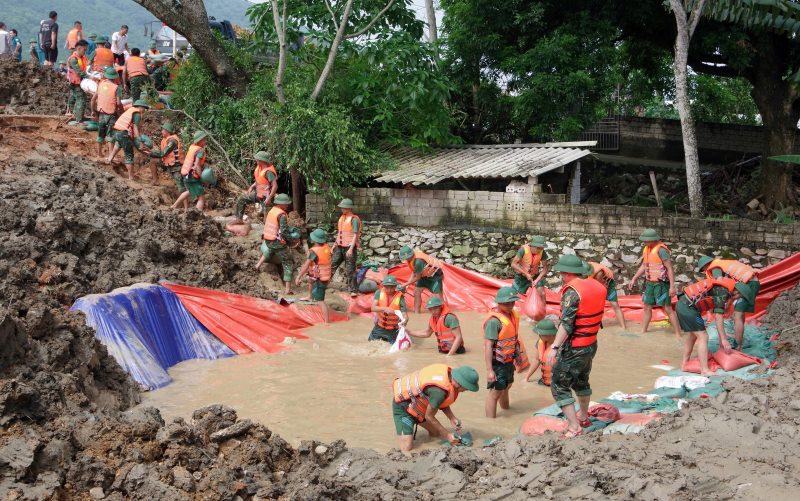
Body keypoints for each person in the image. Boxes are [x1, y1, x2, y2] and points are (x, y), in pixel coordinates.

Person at [545, 255, 607, 438]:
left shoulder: (572, 292)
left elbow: (567, 324)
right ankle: (584, 417)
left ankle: (574, 427)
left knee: (559, 383)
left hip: (575, 346)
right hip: (591, 343)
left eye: (562, 273)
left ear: (566, 273)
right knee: (581, 379)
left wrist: (554, 347)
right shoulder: (598, 286)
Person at [392, 363, 479, 452]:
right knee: (407, 448)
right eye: (467, 388)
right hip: (403, 406)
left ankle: (415, 425)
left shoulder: (449, 377)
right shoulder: (439, 392)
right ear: (459, 383)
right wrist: (448, 435)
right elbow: (429, 416)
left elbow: (442, 401)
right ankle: (407, 427)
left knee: (435, 434)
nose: (466, 390)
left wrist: (451, 418)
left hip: (418, 406)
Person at [676, 277, 751, 375]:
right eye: (739, 297)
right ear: (737, 292)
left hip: (684, 306)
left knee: (693, 335)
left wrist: (722, 341)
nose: (737, 299)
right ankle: (705, 370)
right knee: (703, 336)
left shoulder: (723, 289)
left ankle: (684, 363)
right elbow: (718, 317)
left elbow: (714, 309)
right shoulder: (723, 291)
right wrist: (724, 340)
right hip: (687, 308)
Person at [697, 255, 760, 350]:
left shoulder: (715, 267)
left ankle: (738, 346)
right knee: (739, 313)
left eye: (703, 269)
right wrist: (728, 302)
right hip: (751, 283)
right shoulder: (721, 263)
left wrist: (720, 302)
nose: (705, 271)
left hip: (749, 284)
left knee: (737, 315)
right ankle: (739, 339)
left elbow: (720, 283)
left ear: (705, 265)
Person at [627, 228, 681, 338]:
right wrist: (634, 278)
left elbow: (670, 268)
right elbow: (643, 265)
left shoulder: (661, 250)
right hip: (650, 283)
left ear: (653, 240)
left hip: (662, 284)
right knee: (647, 307)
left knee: (667, 309)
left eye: (647, 240)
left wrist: (672, 287)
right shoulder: (646, 249)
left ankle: (678, 334)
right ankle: (643, 331)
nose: (645, 242)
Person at [484, 286, 528, 418]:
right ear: (499, 303)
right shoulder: (494, 321)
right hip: (497, 362)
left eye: (512, 303)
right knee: (495, 392)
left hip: (509, 360)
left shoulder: (513, 315)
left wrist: (518, 354)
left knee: (507, 386)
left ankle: (507, 412)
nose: (510, 306)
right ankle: (491, 422)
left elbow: (514, 338)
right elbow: (488, 346)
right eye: (506, 303)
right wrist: (489, 370)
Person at [256, 193, 294, 294]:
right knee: (288, 262)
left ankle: (257, 266)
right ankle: (288, 289)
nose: (287, 205)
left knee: (270, 250)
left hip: (268, 240)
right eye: (285, 204)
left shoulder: (272, 211)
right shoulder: (281, 215)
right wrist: (291, 241)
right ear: (280, 204)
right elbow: (284, 232)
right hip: (277, 242)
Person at [295, 228, 332, 324]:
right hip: (324, 275)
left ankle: (327, 322)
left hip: (320, 278)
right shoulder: (326, 247)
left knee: (320, 301)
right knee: (311, 280)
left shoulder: (313, 251)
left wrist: (299, 276)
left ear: (315, 240)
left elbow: (306, 265)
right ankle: (310, 296)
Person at [107, 100, 150, 179]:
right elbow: (135, 127)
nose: (144, 110)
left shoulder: (130, 110)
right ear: (140, 107)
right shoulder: (137, 114)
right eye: (144, 108)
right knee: (129, 155)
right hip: (123, 134)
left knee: (118, 144)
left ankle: (109, 159)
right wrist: (140, 141)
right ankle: (131, 177)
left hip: (116, 132)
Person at [398, 246, 444, 314]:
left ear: (411, 254)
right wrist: (407, 283)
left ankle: (443, 313)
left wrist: (406, 284)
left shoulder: (418, 262)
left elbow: (417, 277)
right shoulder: (411, 260)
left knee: (438, 296)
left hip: (435, 276)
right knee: (416, 292)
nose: (406, 259)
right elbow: (414, 272)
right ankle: (417, 313)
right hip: (423, 275)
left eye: (407, 258)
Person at [234, 151, 277, 222]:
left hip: (266, 197)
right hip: (258, 194)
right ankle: (239, 219)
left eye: (257, 160)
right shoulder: (259, 168)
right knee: (241, 199)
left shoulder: (268, 172)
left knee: (267, 219)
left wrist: (269, 198)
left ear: (262, 161)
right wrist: (252, 187)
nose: (256, 161)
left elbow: (275, 186)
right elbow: (259, 180)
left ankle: (266, 229)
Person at [330, 198, 361, 297]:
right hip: (340, 246)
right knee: (333, 264)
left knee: (350, 269)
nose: (341, 209)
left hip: (349, 247)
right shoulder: (342, 218)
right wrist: (334, 245)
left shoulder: (354, 219)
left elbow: (355, 235)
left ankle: (353, 290)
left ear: (348, 208)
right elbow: (340, 233)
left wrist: (351, 249)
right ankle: (323, 283)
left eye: (343, 207)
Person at [90, 66, 122, 158]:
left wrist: (93, 111)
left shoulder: (101, 84)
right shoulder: (116, 88)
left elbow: (93, 100)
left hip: (101, 113)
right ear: (115, 77)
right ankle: (110, 155)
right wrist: (121, 113)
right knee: (110, 135)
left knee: (100, 134)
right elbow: (119, 103)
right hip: (111, 114)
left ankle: (99, 154)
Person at [173, 131, 209, 211]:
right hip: (192, 177)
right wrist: (202, 178)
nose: (205, 141)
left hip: (186, 175)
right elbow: (196, 166)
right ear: (200, 141)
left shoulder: (192, 147)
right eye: (204, 139)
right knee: (201, 197)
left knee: (189, 191)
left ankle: (174, 205)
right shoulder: (199, 151)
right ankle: (198, 215)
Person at [586, 261, 628, 330]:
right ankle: (593, 325)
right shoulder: (582, 271)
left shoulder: (599, 273)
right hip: (595, 283)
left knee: (614, 304)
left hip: (608, 283)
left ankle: (623, 327)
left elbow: (599, 287)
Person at [510, 235, 550, 302]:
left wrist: (536, 280)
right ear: (532, 246)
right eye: (538, 248)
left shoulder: (542, 252)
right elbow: (513, 264)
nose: (539, 250)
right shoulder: (523, 250)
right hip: (521, 277)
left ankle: (543, 310)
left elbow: (545, 269)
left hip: (534, 276)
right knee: (515, 297)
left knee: (542, 293)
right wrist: (526, 273)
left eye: (541, 248)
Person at [369, 275, 408, 343]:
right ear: (383, 286)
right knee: (371, 342)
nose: (389, 290)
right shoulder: (378, 293)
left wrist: (405, 319)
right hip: (379, 327)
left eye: (392, 287)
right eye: (387, 287)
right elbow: (373, 308)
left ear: (395, 287)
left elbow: (404, 314)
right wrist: (384, 308)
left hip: (393, 330)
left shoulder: (400, 297)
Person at [149, 122, 183, 190]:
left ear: (167, 131)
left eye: (163, 130)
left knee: (180, 186)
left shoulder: (172, 141)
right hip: (167, 162)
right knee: (153, 161)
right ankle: (155, 181)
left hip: (176, 166)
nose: (161, 131)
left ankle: (185, 199)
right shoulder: (165, 139)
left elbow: (163, 153)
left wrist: (150, 152)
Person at [525, 318, 558, 386]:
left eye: (540, 334)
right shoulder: (541, 342)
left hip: (558, 384)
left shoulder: (560, 345)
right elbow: (536, 360)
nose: (539, 335)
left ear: (548, 335)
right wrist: (526, 378)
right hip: (544, 380)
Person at [66, 40, 89, 126]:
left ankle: (74, 114)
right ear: (79, 48)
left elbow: (86, 67)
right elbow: (79, 72)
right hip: (75, 82)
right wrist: (91, 77)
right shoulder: (73, 59)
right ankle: (79, 120)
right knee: (81, 99)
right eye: (84, 50)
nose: (85, 52)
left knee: (73, 98)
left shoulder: (83, 58)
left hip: (80, 81)